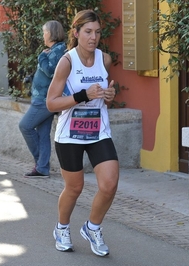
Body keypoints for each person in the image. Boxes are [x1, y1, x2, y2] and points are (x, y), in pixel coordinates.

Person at [46, 10, 119, 257]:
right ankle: (62, 228)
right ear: (76, 33)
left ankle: (92, 227)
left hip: (98, 131)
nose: (93, 37)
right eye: (88, 32)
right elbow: (51, 104)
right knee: (74, 188)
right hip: (70, 135)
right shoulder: (67, 62)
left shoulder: (105, 60)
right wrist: (82, 95)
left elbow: (106, 96)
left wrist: (110, 96)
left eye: (97, 32)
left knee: (109, 185)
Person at [19, 20, 66, 178]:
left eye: (44, 32)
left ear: (52, 33)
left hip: (46, 100)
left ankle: (40, 163)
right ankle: (42, 168)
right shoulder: (53, 49)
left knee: (25, 126)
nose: (43, 35)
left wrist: (41, 58)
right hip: (42, 98)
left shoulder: (59, 50)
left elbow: (52, 72)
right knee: (42, 134)